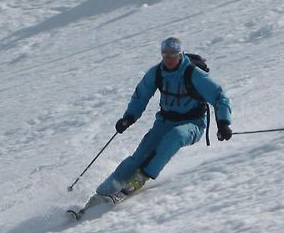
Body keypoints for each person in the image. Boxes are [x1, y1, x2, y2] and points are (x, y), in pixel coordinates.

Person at [87, 37, 232, 206]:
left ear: (180, 55)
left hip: (193, 123)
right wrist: (129, 117)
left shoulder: (193, 74)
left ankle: (139, 179)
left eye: (173, 55)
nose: (169, 59)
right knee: (138, 157)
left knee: (175, 136)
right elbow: (140, 96)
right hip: (164, 122)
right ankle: (101, 194)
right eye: (166, 56)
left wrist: (223, 123)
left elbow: (219, 97)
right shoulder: (157, 73)